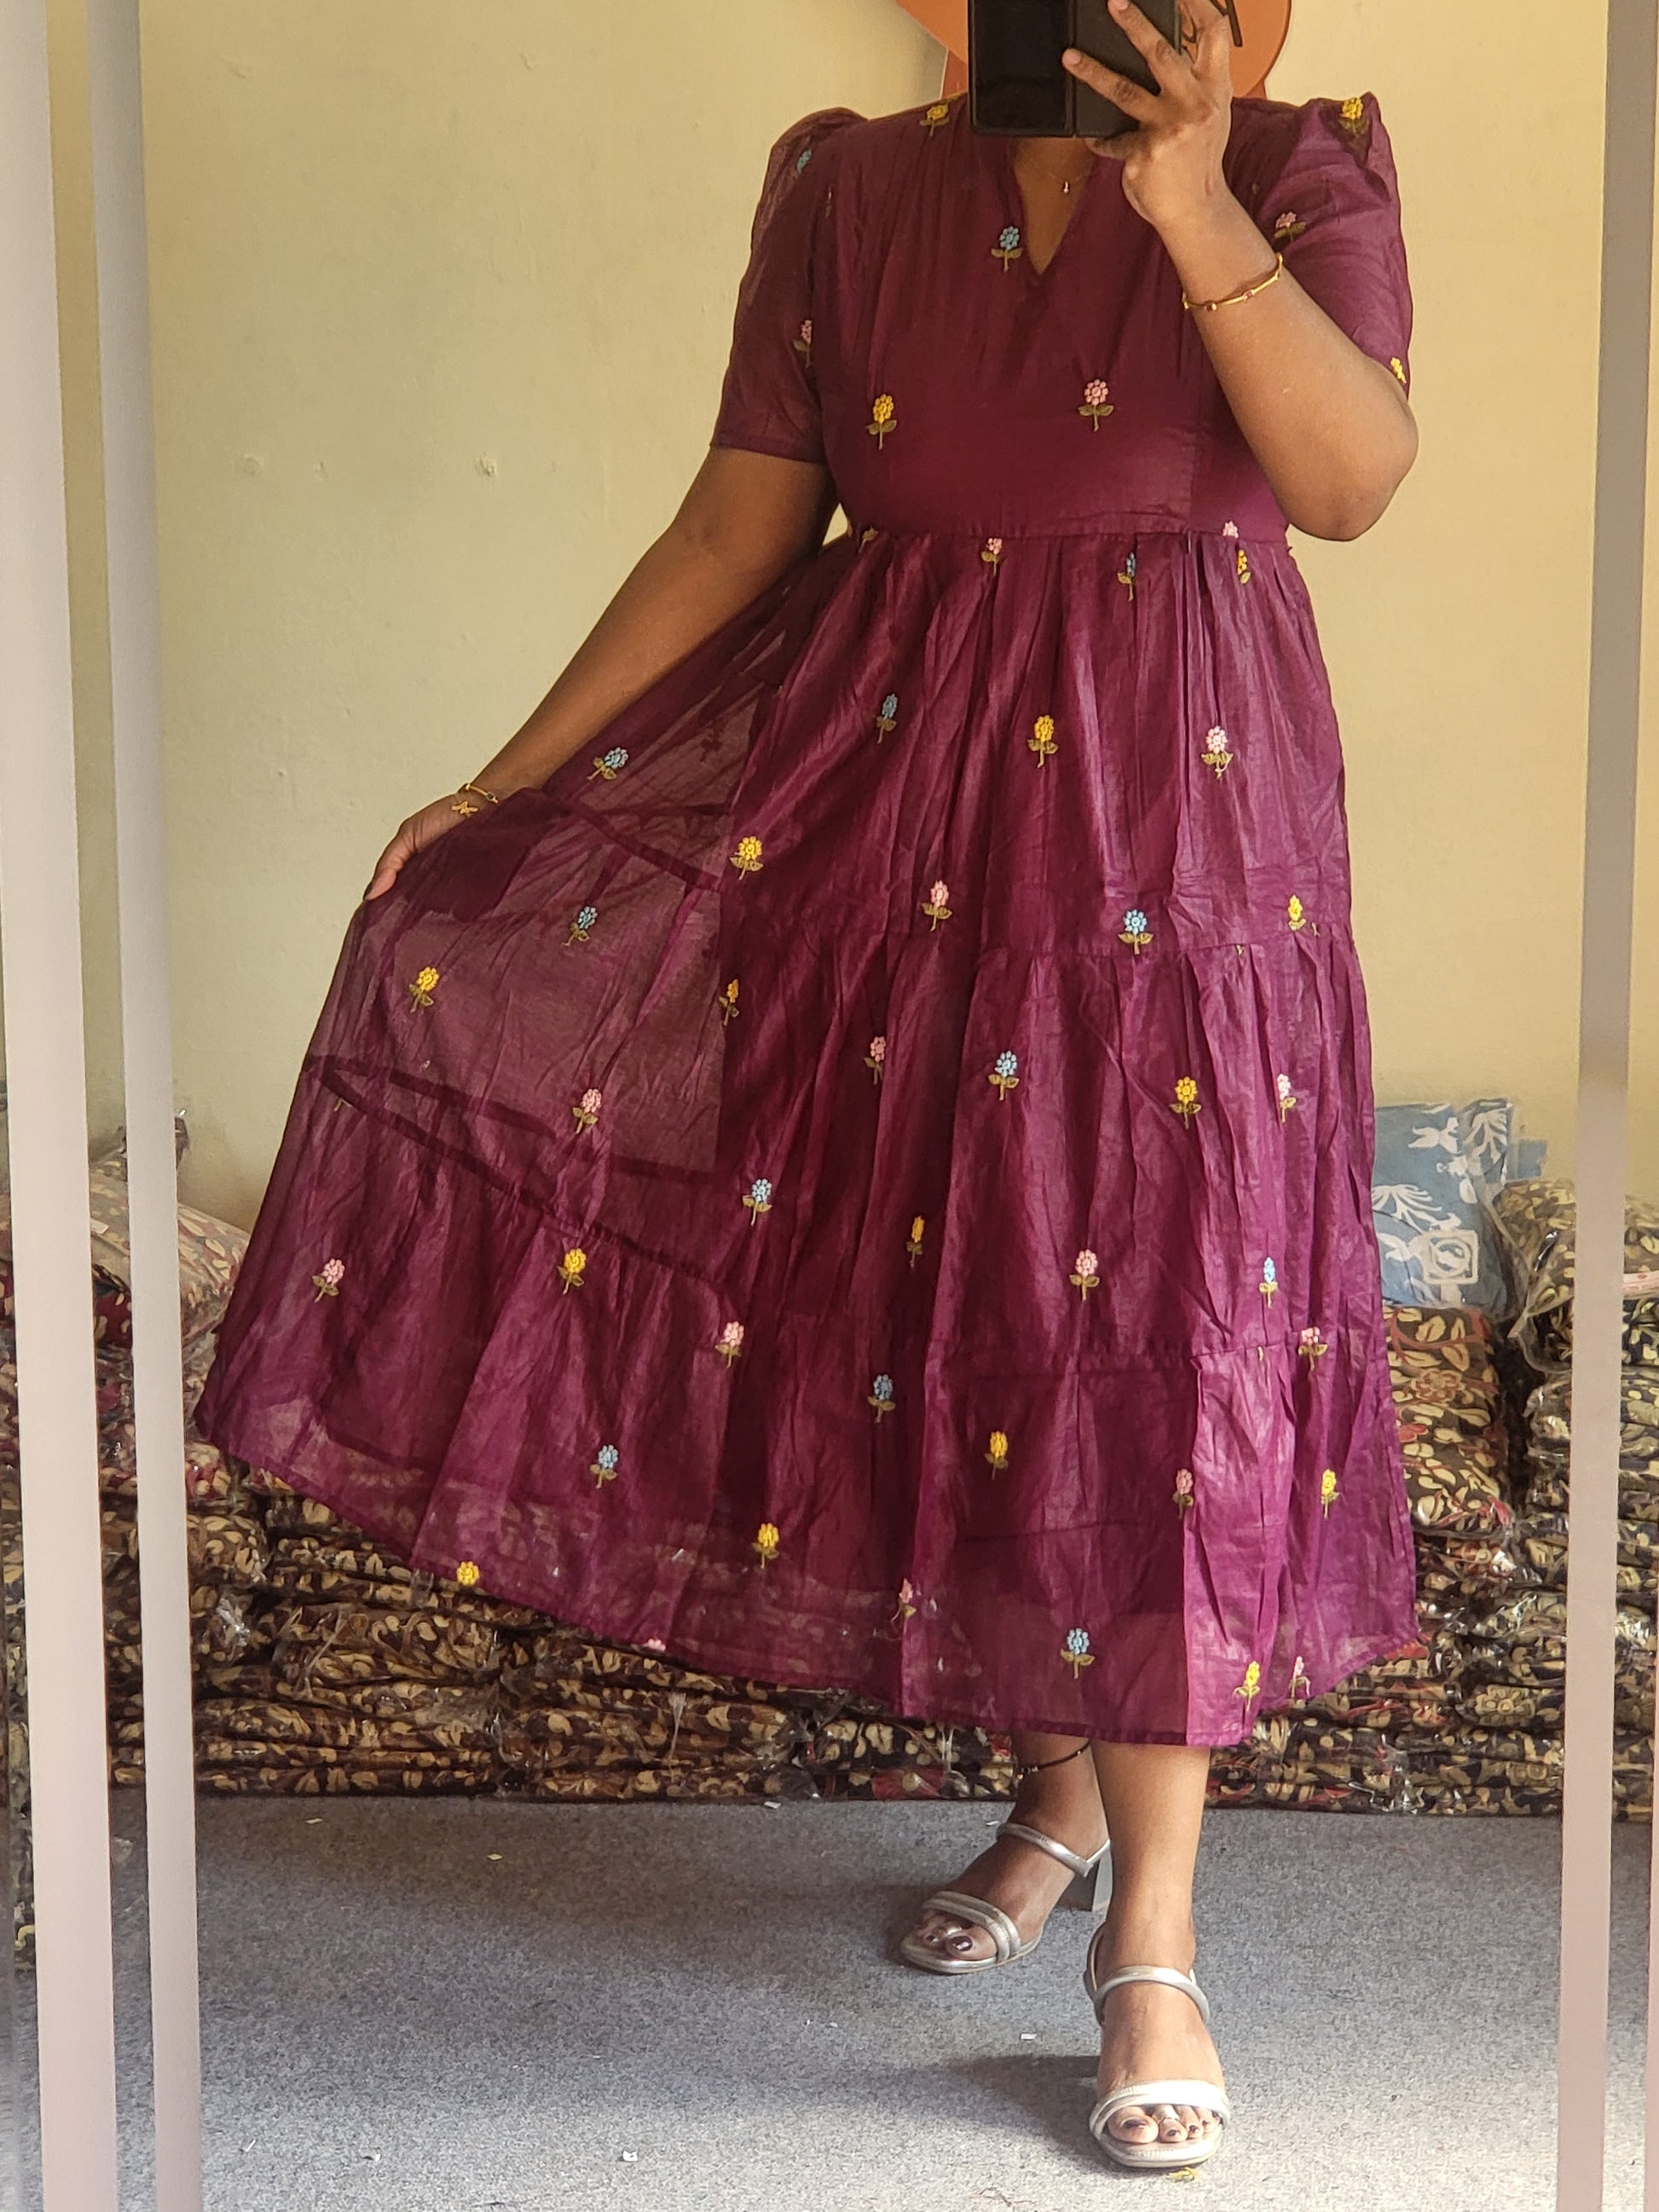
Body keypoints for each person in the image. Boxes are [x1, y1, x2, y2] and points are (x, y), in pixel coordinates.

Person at [197, 0, 1419, 2174]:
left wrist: (1189, 199)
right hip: (884, 852)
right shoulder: (845, 189)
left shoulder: (1297, 166)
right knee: (950, 1323)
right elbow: (729, 532)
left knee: (1146, 1338)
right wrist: (503, 783)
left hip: (1175, 855)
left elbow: (1347, 480)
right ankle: (1054, 1794)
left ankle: (1149, 1933)